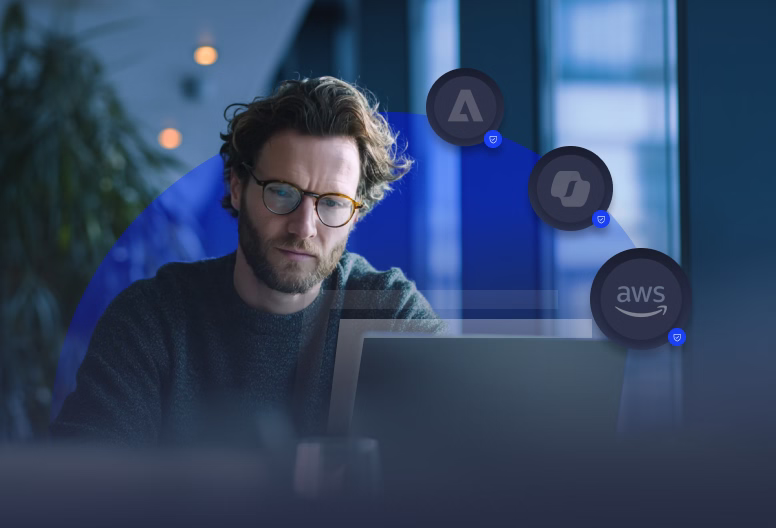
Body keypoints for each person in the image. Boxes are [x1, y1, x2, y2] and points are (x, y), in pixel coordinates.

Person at [51, 76, 443, 446]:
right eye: (283, 193)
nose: (304, 227)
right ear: (238, 187)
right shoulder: (153, 319)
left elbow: (465, 468)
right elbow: (82, 484)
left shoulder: (389, 314)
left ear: (355, 214)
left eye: (333, 203)